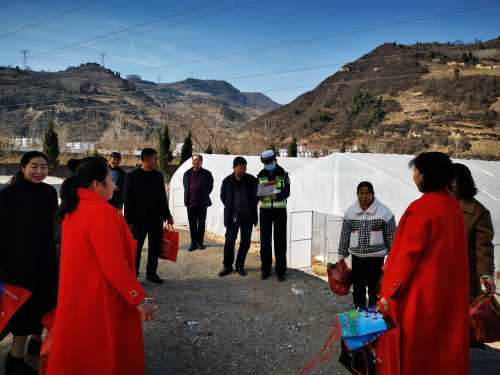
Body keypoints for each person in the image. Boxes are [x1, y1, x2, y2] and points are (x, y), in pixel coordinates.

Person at [47, 158, 154, 375]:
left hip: (79, 294)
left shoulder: (74, 208)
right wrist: (137, 298)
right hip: (100, 295)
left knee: (79, 350)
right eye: (109, 179)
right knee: (103, 352)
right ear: (96, 184)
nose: (114, 185)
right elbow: (114, 265)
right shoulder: (100, 213)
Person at [377, 152, 469, 375]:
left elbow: (404, 258)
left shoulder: (421, 209)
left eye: (416, 171)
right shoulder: (453, 207)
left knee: (415, 352)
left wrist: (387, 296)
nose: (414, 176)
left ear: (425, 175)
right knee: (443, 347)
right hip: (447, 294)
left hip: (420, 298)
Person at [0, 152, 58, 375]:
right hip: (18, 264)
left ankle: (37, 346)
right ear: (23, 167)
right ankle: (15, 360)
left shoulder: (49, 192)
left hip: (45, 262)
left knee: (43, 308)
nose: (39, 171)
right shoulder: (9, 195)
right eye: (34, 166)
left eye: (44, 167)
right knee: (22, 314)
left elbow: (53, 227)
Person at [337, 181, 397, 309]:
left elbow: (392, 237)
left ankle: (374, 313)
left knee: (374, 287)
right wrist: (341, 256)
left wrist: (393, 259)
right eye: (361, 193)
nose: (364, 196)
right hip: (357, 258)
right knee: (358, 286)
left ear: (373, 194)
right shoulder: (350, 212)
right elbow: (344, 235)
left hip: (376, 259)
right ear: (357, 194)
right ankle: (359, 311)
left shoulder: (384, 213)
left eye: (367, 193)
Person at [124, 148, 173, 284]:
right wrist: (128, 220)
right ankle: (134, 274)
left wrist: (167, 215)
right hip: (138, 220)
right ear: (145, 159)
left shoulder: (157, 176)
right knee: (136, 248)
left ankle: (151, 273)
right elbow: (127, 200)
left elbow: (162, 197)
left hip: (155, 219)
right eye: (154, 158)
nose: (156, 161)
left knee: (154, 247)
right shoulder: (132, 176)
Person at [451, 163, 495, 299]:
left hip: (464, 280)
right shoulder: (436, 206)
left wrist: (486, 275)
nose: (447, 185)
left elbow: (484, 248)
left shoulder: (478, 213)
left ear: (462, 182)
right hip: (436, 278)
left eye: (451, 180)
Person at [219, 157, 258, 277]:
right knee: (229, 241)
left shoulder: (251, 179)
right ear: (234, 167)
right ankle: (227, 266)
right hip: (232, 216)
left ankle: (240, 265)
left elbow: (258, 192)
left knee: (245, 242)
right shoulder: (227, 181)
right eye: (241, 168)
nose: (243, 170)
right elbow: (223, 197)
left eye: (245, 168)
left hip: (247, 216)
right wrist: (233, 207)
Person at [257, 150, 290, 281]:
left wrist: (278, 196)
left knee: (280, 241)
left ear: (274, 160)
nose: (267, 165)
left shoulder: (283, 174)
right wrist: (259, 195)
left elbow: (287, 191)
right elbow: (257, 191)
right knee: (265, 242)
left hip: (279, 211)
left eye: (269, 162)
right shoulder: (260, 175)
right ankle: (265, 270)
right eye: (265, 163)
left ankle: (280, 271)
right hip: (265, 211)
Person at [183, 154, 214, 251]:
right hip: (190, 202)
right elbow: (185, 185)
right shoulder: (187, 173)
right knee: (192, 223)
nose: (196, 162)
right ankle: (193, 242)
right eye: (194, 160)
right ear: (192, 161)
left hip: (202, 203)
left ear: (201, 162)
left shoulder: (207, 173)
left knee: (201, 223)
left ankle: (200, 242)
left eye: (198, 160)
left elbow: (210, 186)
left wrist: (203, 194)